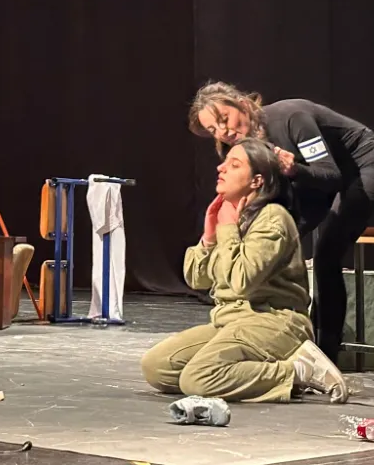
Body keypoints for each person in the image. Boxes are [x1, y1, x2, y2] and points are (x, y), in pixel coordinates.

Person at [188, 81, 374, 362]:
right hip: (309, 176)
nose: (223, 132)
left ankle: (326, 352)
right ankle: (268, 329)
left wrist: (292, 168)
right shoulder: (238, 149)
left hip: (360, 166)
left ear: (243, 105)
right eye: (213, 130)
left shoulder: (292, 118)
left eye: (225, 119)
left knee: (326, 255)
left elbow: (331, 176)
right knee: (275, 241)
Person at [140, 139, 348, 403]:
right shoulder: (232, 217)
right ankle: (263, 375)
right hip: (230, 322)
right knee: (158, 367)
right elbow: (196, 279)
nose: (221, 168)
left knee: (198, 379)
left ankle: (298, 370)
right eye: (224, 162)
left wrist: (228, 230)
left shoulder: (272, 217)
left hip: (273, 322)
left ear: (257, 181)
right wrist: (209, 237)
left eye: (234, 165)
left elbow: (242, 281)